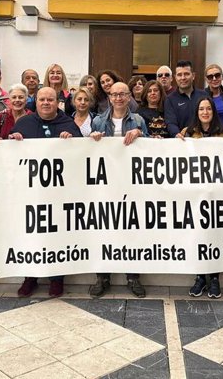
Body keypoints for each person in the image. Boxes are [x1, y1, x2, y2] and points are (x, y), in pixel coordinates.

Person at [8, 87, 83, 298]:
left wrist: (73, 142)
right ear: (36, 101)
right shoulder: (23, 123)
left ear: (58, 102)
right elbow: (9, 154)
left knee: (57, 236)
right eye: (42, 99)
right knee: (31, 235)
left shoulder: (68, 124)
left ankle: (57, 279)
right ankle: (29, 278)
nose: (46, 103)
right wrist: (10, 144)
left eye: (50, 99)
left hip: (60, 196)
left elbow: (81, 157)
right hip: (30, 195)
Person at [89, 82, 149, 298]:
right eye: (114, 94)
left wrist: (141, 135)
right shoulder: (97, 120)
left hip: (131, 186)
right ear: (109, 97)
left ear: (129, 96)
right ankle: (102, 277)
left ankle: (133, 277)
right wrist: (93, 139)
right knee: (103, 231)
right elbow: (88, 150)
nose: (118, 98)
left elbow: (152, 149)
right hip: (105, 187)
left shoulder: (139, 120)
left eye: (122, 94)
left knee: (132, 231)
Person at [180, 96, 223, 299]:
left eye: (208, 108)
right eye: (201, 109)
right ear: (197, 112)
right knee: (199, 234)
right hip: (195, 194)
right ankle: (200, 277)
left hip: (218, 193)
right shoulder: (188, 133)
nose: (205, 112)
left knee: (215, 234)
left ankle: (215, 278)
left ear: (213, 111)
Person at [164, 60, 208, 137]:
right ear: (175, 77)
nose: (183, 78)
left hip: (203, 142)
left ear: (193, 76)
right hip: (181, 142)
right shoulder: (170, 99)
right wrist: (176, 134)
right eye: (179, 75)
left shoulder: (204, 95)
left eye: (186, 74)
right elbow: (170, 122)